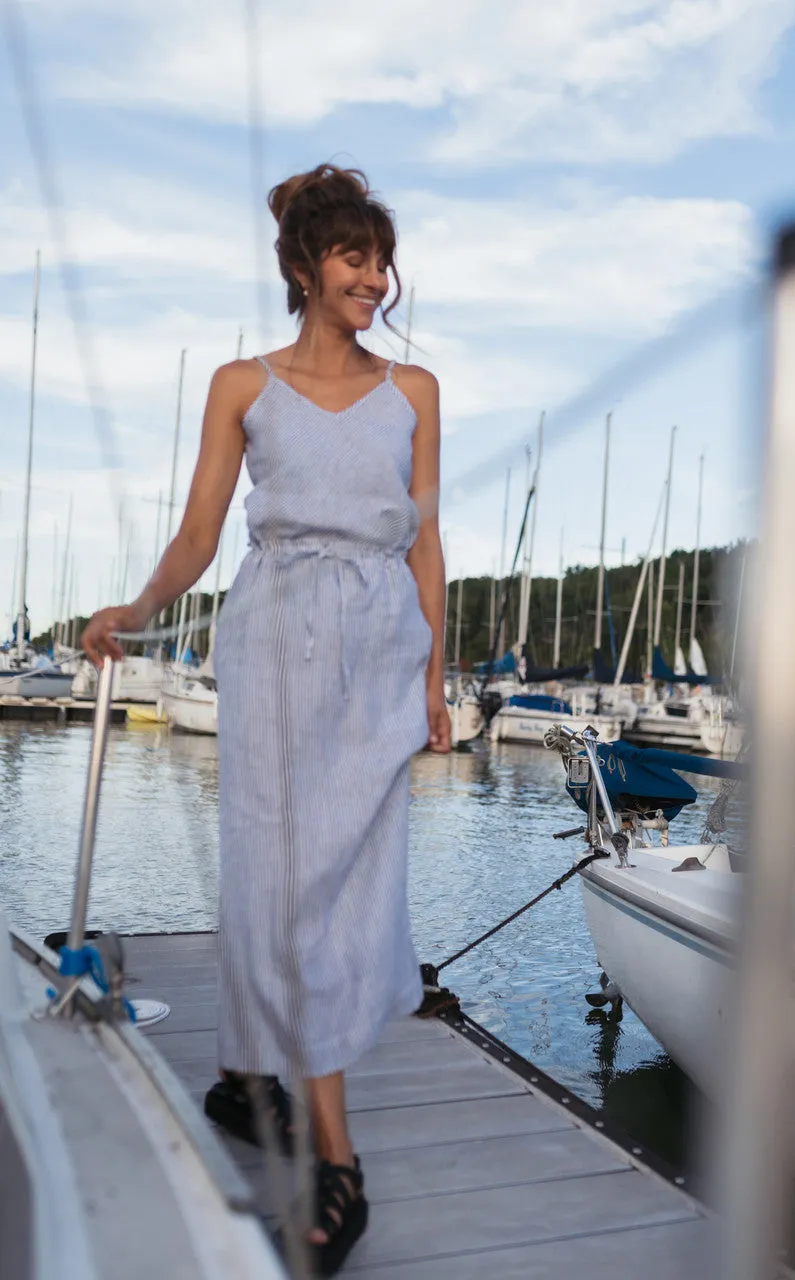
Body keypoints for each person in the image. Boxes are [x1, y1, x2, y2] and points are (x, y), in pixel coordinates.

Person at [82, 163, 451, 1275]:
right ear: (304, 267)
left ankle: (255, 1082)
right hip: (272, 632)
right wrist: (140, 604)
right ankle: (331, 1153)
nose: (374, 279)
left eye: (381, 261)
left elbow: (425, 540)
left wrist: (436, 678)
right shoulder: (242, 384)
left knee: (342, 882)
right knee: (276, 876)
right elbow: (201, 533)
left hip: (379, 647)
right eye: (353, 257)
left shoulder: (415, 390)